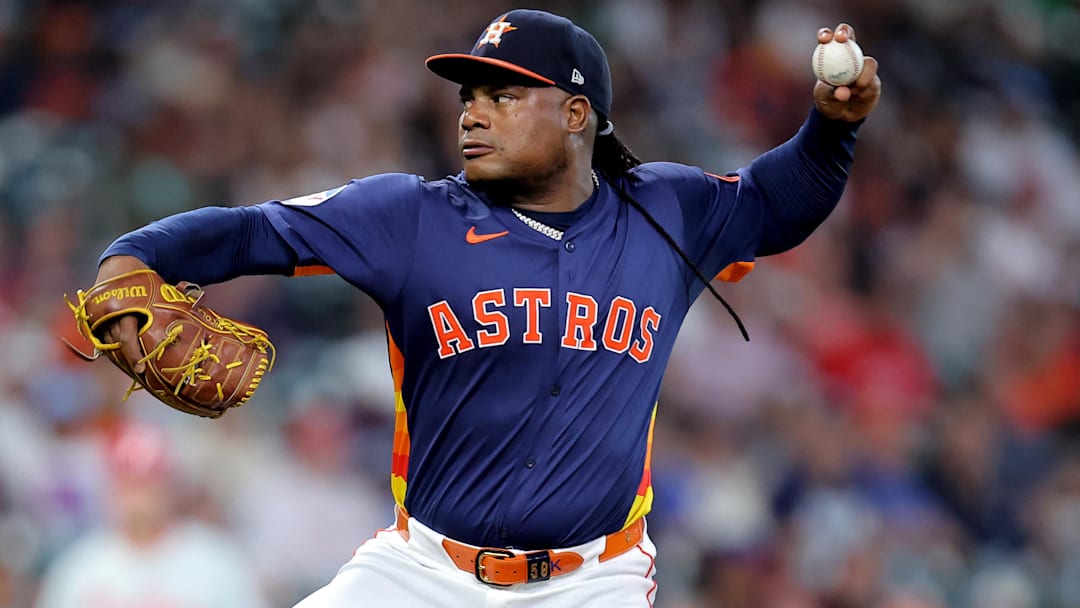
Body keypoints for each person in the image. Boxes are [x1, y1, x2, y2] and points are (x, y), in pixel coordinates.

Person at [84, 9, 880, 607]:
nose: (471, 112)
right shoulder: (410, 216)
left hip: (592, 581)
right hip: (421, 571)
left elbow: (779, 201)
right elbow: (252, 230)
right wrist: (131, 256)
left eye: (503, 95)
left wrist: (834, 126)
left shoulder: (663, 209)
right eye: (470, 96)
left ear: (575, 115)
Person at [34, 422, 268, 608]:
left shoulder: (218, 562)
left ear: (172, 486)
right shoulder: (79, 568)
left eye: (148, 483)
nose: (138, 498)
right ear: (109, 488)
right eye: (127, 483)